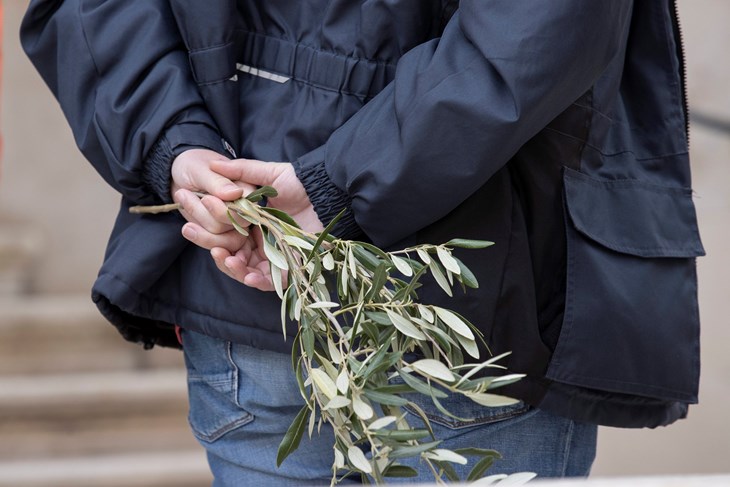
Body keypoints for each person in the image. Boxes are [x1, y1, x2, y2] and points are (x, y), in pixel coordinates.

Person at [21, 0, 704, 485]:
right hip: (476, 304)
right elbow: (541, 26)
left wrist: (177, 142)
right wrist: (335, 183)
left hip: (248, 279)